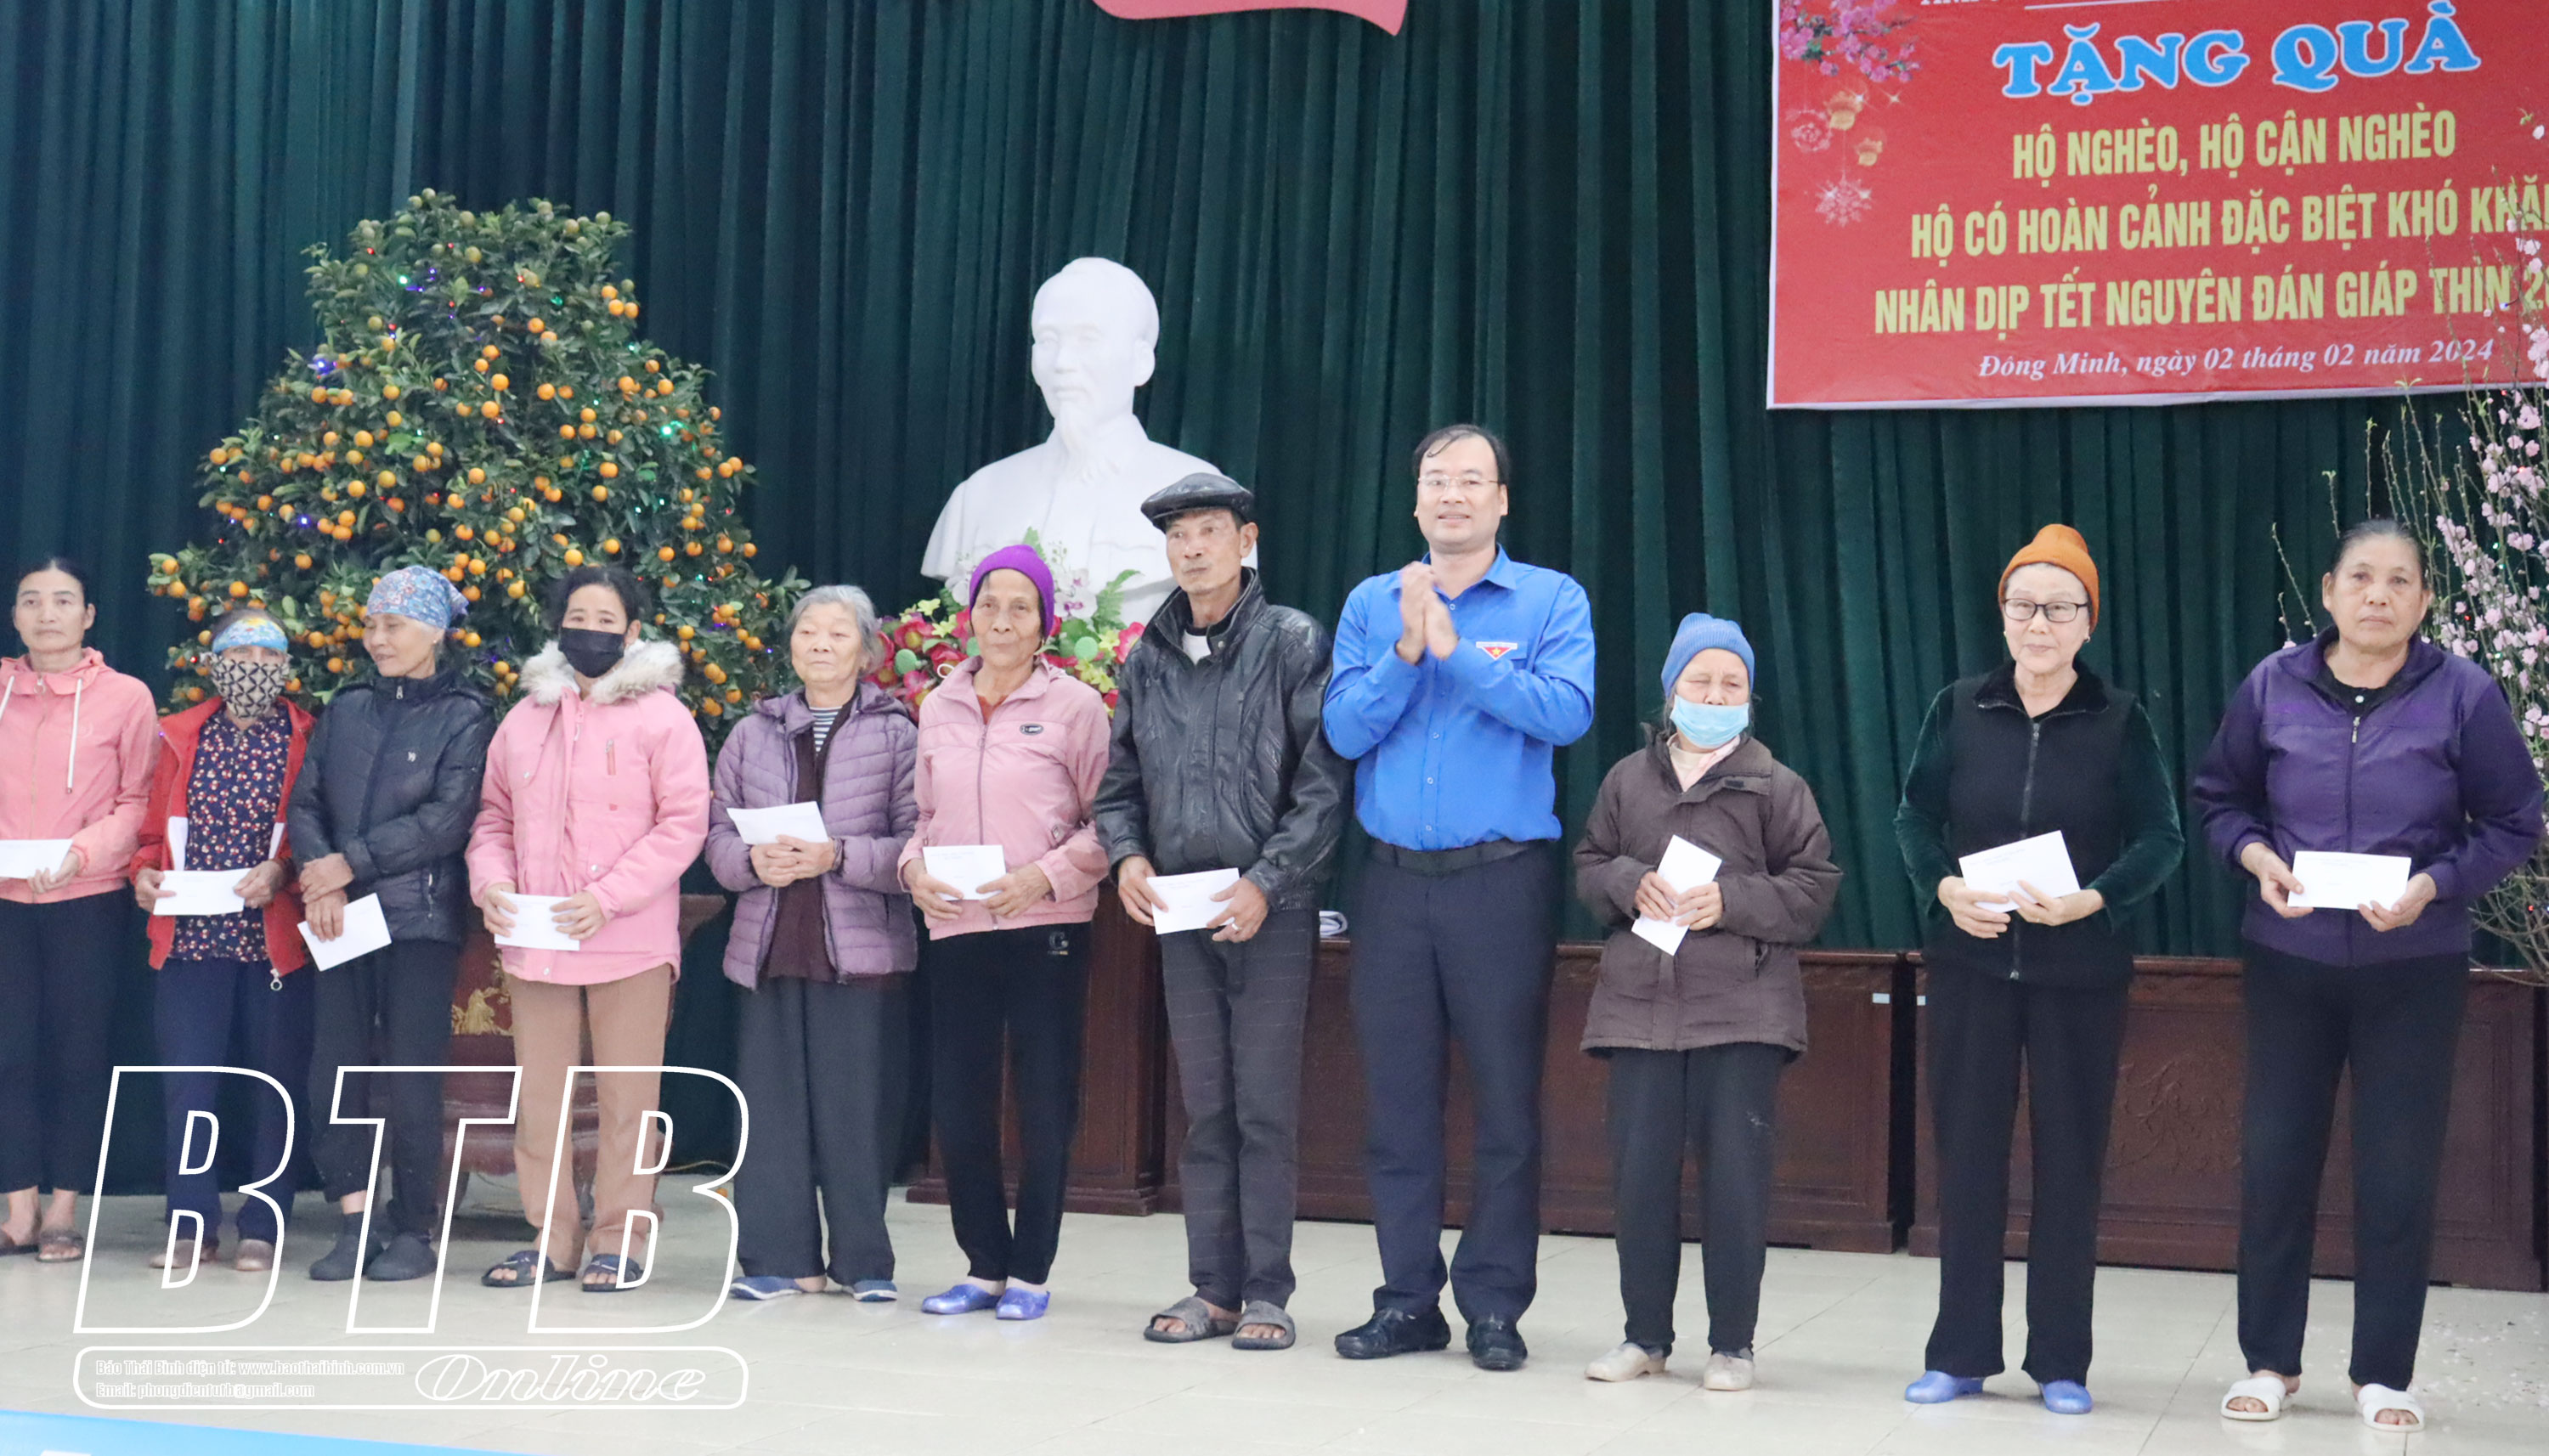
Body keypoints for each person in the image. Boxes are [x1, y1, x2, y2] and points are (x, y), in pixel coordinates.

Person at [2192, 519, 2542, 1433]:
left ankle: (2384, 1374)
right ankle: (2269, 1362)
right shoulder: (2273, 684)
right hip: (2290, 961)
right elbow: (2219, 799)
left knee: (2397, 1173)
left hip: (2413, 968)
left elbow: (2516, 820)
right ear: (2329, 591)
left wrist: (2436, 885)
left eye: (2398, 581)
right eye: (2361, 577)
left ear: (2425, 600)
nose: (2378, 595)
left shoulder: (2464, 694)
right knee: (2277, 1163)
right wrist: (2257, 858)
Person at [1320, 424, 1596, 1372]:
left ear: (1502, 500)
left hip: (1501, 881)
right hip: (1393, 884)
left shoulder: (1551, 598)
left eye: (1471, 481)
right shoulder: (1372, 603)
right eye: (1436, 480)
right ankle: (1407, 1301)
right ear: (1415, 501)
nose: (1452, 495)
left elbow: (1566, 712)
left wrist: (1462, 653)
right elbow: (1343, 732)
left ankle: (1494, 1306)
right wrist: (1407, 648)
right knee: (1396, 1105)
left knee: (1506, 1105)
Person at [1892, 524, 2184, 1415]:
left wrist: (2094, 900)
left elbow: (2161, 838)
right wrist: (1945, 889)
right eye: (2024, 606)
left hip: (2078, 976)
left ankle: (2061, 1361)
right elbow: (1914, 818)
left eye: (2060, 608)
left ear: (2088, 622)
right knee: (1968, 1161)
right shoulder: (1958, 707)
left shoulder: (2121, 719)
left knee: (2069, 1167)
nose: (2040, 623)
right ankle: (1960, 1353)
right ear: (2003, 616)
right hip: (1972, 967)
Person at [1096, 474, 1349, 1352]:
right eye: (1179, 535)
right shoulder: (1148, 657)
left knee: (1264, 1106)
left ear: (1246, 540)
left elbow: (1323, 785)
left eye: (1209, 531)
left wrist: (1267, 882)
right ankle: (1214, 1289)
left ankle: (1268, 1292)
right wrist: (1128, 856)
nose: (1192, 548)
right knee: (1205, 1107)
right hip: (1181, 907)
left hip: (1270, 905)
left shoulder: (1292, 640)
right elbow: (1119, 783)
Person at [1572, 614, 1840, 1391]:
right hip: (1638, 1012)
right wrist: (1628, 883)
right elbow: (1589, 865)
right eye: (1701, 681)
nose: (1715, 696)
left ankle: (1733, 1346)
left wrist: (1731, 901)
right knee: (1640, 1182)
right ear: (1672, 691)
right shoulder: (1626, 780)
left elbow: (1814, 889)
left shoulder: (1779, 786)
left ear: (1750, 698)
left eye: (1732, 684)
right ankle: (1644, 1338)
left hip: (1743, 1013)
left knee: (1735, 1184)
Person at [471, 565, 709, 1293]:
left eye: (607, 621)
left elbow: (683, 825)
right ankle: (551, 1238)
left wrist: (607, 898)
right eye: (579, 618)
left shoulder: (664, 718)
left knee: (628, 1100)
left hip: (627, 938)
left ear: (632, 632)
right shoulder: (525, 718)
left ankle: (619, 1239)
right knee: (541, 1098)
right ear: (559, 625)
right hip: (539, 938)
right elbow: (494, 817)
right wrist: (492, 883)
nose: (591, 632)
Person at [897, 544, 1111, 1323]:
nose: (1002, 619)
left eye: (1021, 606)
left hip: (1044, 926)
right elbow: (922, 817)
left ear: (1045, 622)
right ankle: (983, 1264)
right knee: (960, 1101)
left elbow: (1108, 824)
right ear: (970, 616)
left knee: (1045, 1101)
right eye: (989, 604)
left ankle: (1030, 1271)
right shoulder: (939, 704)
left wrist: (1042, 878)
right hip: (958, 926)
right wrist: (913, 871)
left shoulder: (1076, 707)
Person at [707, 585, 918, 1303]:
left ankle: (863, 1264)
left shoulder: (896, 733)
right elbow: (716, 834)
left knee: (855, 1112)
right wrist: (749, 862)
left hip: (859, 950)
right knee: (771, 1112)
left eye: (837, 633)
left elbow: (915, 842)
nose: (820, 644)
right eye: (807, 632)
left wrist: (838, 856)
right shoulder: (752, 732)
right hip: (769, 946)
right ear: (791, 646)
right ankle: (778, 1260)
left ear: (866, 650)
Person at [289, 565, 495, 1281]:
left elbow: (446, 819)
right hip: (340, 916)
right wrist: (321, 877)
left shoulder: (467, 714)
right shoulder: (347, 708)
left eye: (394, 625)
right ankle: (354, 1222)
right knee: (334, 1073)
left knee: (411, 1079)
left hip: (418, 918)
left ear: (434, 632)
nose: (377, 639)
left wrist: (347, 865)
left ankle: (414, 1228)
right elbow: (305, 802)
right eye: (372, 625)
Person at [131, 607, 316, 1273]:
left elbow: (318, 828)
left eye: (270, 657)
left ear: (287, 667)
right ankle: (191, 1222)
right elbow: (151, 835)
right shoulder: (182, 735)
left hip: (274, 942)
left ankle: (263, 1223)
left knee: (275, 1086)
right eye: (241, 655)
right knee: (189, 1085)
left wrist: (283, 870)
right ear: (214, 663)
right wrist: (143, 873)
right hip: (190, 940)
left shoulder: (307, 736)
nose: (255, 668)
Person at [920, 257, 1230, 623]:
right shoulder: (978, 496)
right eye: (1048, 341)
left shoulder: (1200, 495)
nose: (1063, 362)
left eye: (1088, 339)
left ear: (1141, 361)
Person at [0, 557, 159, 1264]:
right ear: (15, 615)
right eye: (31, 600)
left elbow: (137, 799)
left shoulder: (126, 697)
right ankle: (18, 1209)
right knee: (9, 1053)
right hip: (5, 902)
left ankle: (65, 1207)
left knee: (78, 1054)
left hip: (86, 900)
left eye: (64, 601)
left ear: (89, 615)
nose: (47, 614)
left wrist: (81, 854)